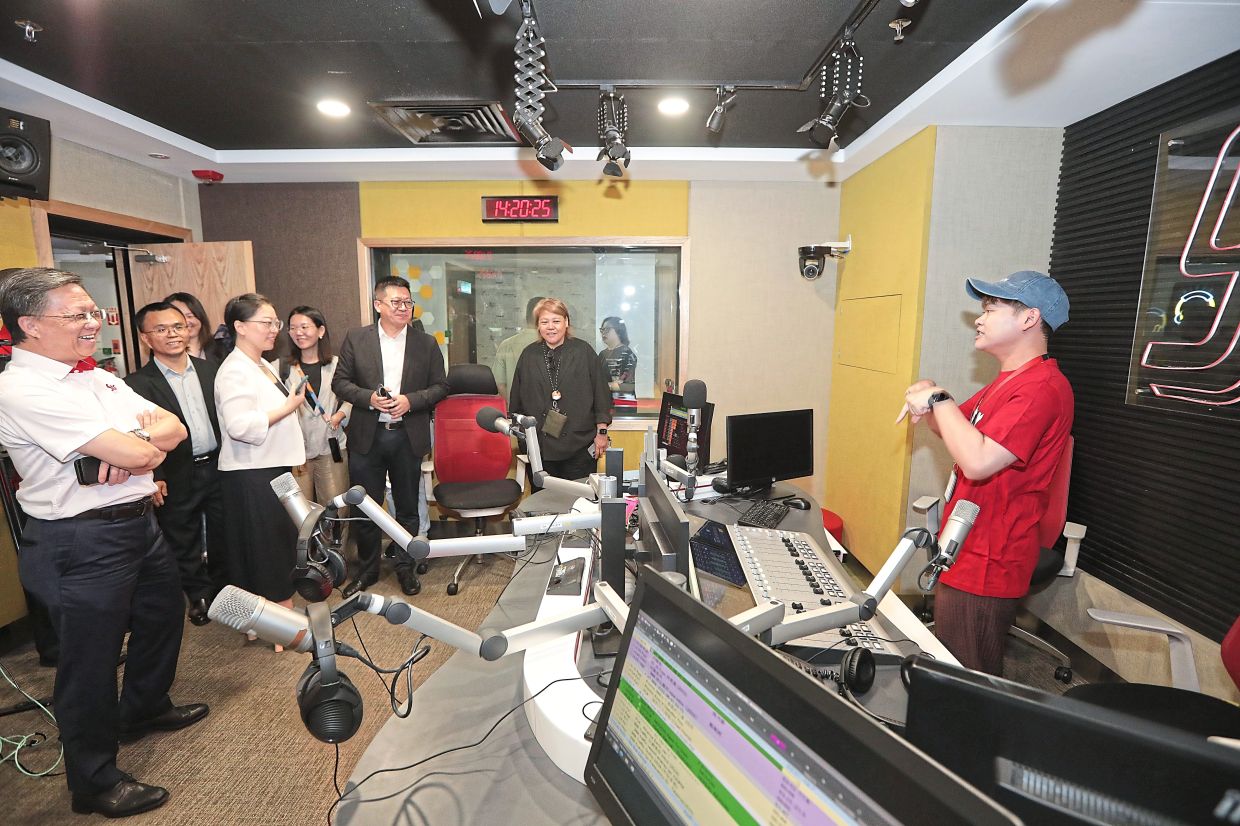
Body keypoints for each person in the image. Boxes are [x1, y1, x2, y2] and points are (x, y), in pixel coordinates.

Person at [0, 267, 206, 818]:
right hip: (78, 540)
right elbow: (146, 452)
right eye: (78, 315)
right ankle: (93, 781)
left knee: (164, 616)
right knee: (87, 664)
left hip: (138, 522)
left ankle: (141, 708)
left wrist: (125, 447)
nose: (93, 323)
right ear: (29, 325)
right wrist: (136, 449)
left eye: (94, 312)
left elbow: (174, 429)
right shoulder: (23, 387)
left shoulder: (96, 376)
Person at [901, 270, 1074, 676]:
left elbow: (977, 461)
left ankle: (973, 740)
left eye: (991, 308)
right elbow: (952, 430)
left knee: (970, 677)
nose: (979, 318)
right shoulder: (1009, 382)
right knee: (955, 662)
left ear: (1030, 319)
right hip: (969, 544)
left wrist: (938, 398)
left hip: (991, 556)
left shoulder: (1041, 388)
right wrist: (930, 395)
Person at [333, 276, 448, 597]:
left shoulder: (425, 343)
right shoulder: (357, 339)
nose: (403, 308)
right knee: (365, 507)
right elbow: (340, 383)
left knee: (408, 508)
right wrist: (368, 397)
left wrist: (412, 401)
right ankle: (367, 571)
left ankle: (405, 567)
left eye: (408, 302)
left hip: (406, 437)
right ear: (378, 305)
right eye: (396, 302)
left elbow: (441, 386)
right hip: (367, 437)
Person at [126, 301, 227, 626]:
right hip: (176, 471)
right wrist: (154, 474)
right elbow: (137, 436)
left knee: (225, 532)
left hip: (219, 466)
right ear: (146, 338)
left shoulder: (212, 370)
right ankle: (197, 595)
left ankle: (223, 592)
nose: (172, 334)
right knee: (181, 536)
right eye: (161, 329)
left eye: (178, 326)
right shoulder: (136, 385)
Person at [214, 293, 307, 647]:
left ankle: (265, 619)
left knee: (274, 543)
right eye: (265, 323)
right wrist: (289, 406)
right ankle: (277, 623)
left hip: (269, 466)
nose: (273, 330)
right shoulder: (234, 370)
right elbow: (240, 426)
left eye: (275, 323)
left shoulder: (261, 365)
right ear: (239, 327)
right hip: (251, 471)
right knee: (265, 548)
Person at [509, 298, 612, 484]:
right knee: (543, 505)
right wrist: (525, 443)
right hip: (540, 448)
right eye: (544, 322)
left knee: (580, 504)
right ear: (538, 327)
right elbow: (517, 403)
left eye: (556, 321)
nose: (551, 327)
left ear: (566, 323)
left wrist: (602, 434)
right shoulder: (528, 355)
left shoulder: (584, 352)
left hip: (580, 447)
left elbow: (601, 396)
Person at [281, 305, 351, 507]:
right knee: (300, 513)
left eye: (304, 326)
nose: (298, 333)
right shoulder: (282, 367)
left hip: (331, 446)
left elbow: (351, 397)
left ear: (320, 331)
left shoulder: (338, 365)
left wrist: (340, 414)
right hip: (296, 452)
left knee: (336, 510)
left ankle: (337, 541)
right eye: (293, 328)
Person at [493, 295, 544, 399]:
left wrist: (511, 404)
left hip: (516, 411)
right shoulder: (553, 344)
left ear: (526, 317)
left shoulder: (506, 345)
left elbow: (499, 383)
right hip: (548, 413)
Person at [165, 292, 219, 362]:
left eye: (189, 316)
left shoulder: (220, 348)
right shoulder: (162, 353)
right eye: (179, 316)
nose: (186, 321)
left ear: (200, 317)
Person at [598, 315, 637, 399]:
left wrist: (602, 386)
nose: (603, 333)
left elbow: (628, 386)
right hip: (605, 402)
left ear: (619, 330)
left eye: (607, 329)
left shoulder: (627, 353)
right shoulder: (602, 354)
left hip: (623, 405)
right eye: (602, 330)